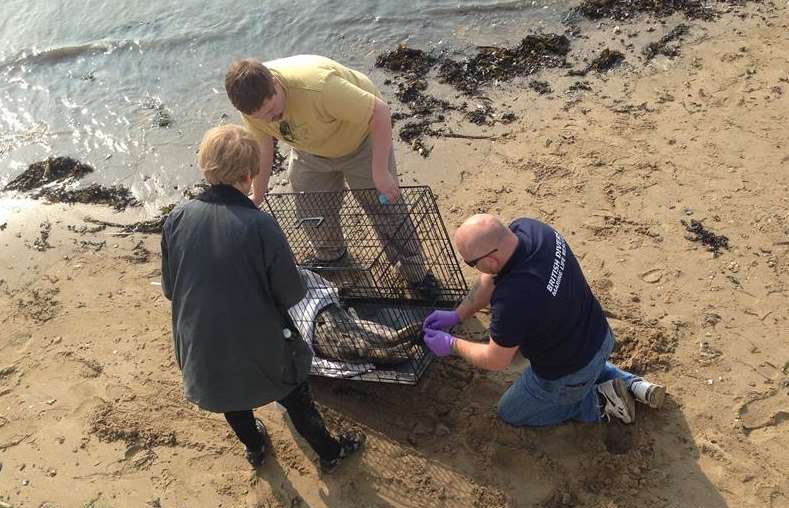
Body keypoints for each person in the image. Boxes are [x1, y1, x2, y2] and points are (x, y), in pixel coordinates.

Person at [161, 124, 363, 471]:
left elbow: (169, 288)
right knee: (296, 394)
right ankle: (329, 453)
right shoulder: (260, 225)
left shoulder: (177, 218)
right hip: (260, 349)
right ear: (249, 174)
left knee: (231, 399)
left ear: (205, 166)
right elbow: (290, 292)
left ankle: (254, 447)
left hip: (200, 348)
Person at [422, 214, 666, 426]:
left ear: (491, 260)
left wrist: (451, 344)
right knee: (581, 359)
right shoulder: (530, 229)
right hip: (599, 335)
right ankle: (632, 384)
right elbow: (492, 278)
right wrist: (458, 313)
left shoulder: (512, 299)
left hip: (568, 372)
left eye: (471, 263)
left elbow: (496, 359)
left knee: (510, 412)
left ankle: (601, 402)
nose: (475, 268)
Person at [224, 55, 438, 295]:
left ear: (276, 83)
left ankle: (416, 274)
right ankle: (334, 258)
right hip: (309, 149)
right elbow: (264, 147)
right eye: (261, 117)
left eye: (273, 110)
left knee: (385, 207)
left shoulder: (319, 86)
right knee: (312, 209)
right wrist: (258, 193)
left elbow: (380, 113)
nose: (270, 119)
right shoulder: (252, 107)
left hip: (361, 141)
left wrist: (380, 171)